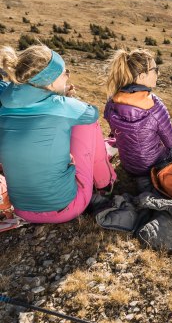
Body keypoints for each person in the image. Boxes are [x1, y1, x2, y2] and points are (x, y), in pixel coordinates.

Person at [0, 45, 116, 224]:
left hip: (22, 209)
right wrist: (67, 100)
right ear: (50, 82)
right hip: (65, 208)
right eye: (64, 72)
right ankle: (105, 183)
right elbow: (91, 113)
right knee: (86, 124)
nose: (68, 75)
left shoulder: (5, 102)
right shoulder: (62, 106)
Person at [104, 49, 172, 176]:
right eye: (155, 70)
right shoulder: (154, 106)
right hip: (153, 166)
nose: (158, 73)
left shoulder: (111, 102)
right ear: (142, 76)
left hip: (129, 165)